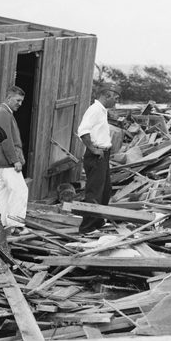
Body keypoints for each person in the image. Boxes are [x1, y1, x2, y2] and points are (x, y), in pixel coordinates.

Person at [77, 84, 120, 234]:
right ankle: (87, 228)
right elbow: (83, 131)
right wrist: (93, 148)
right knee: (94, 192)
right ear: (106, 96)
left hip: (103, 155)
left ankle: (98, 222)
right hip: (96, 155)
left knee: (105, 189)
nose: (116, 102)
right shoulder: (94, 110)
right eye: (115, 98)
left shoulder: (102, 111)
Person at [0, 85, 30, 235]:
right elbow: (5, 139)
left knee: (6, 192)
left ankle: (1, 223)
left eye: (21, 101)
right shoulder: (3, 114)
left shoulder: (5, 113)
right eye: (17, 100)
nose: (20, 104)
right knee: (20, 190)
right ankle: (16, 225)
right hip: (8, 161)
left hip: (4, 161)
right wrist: (14, 160)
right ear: (8, 98)